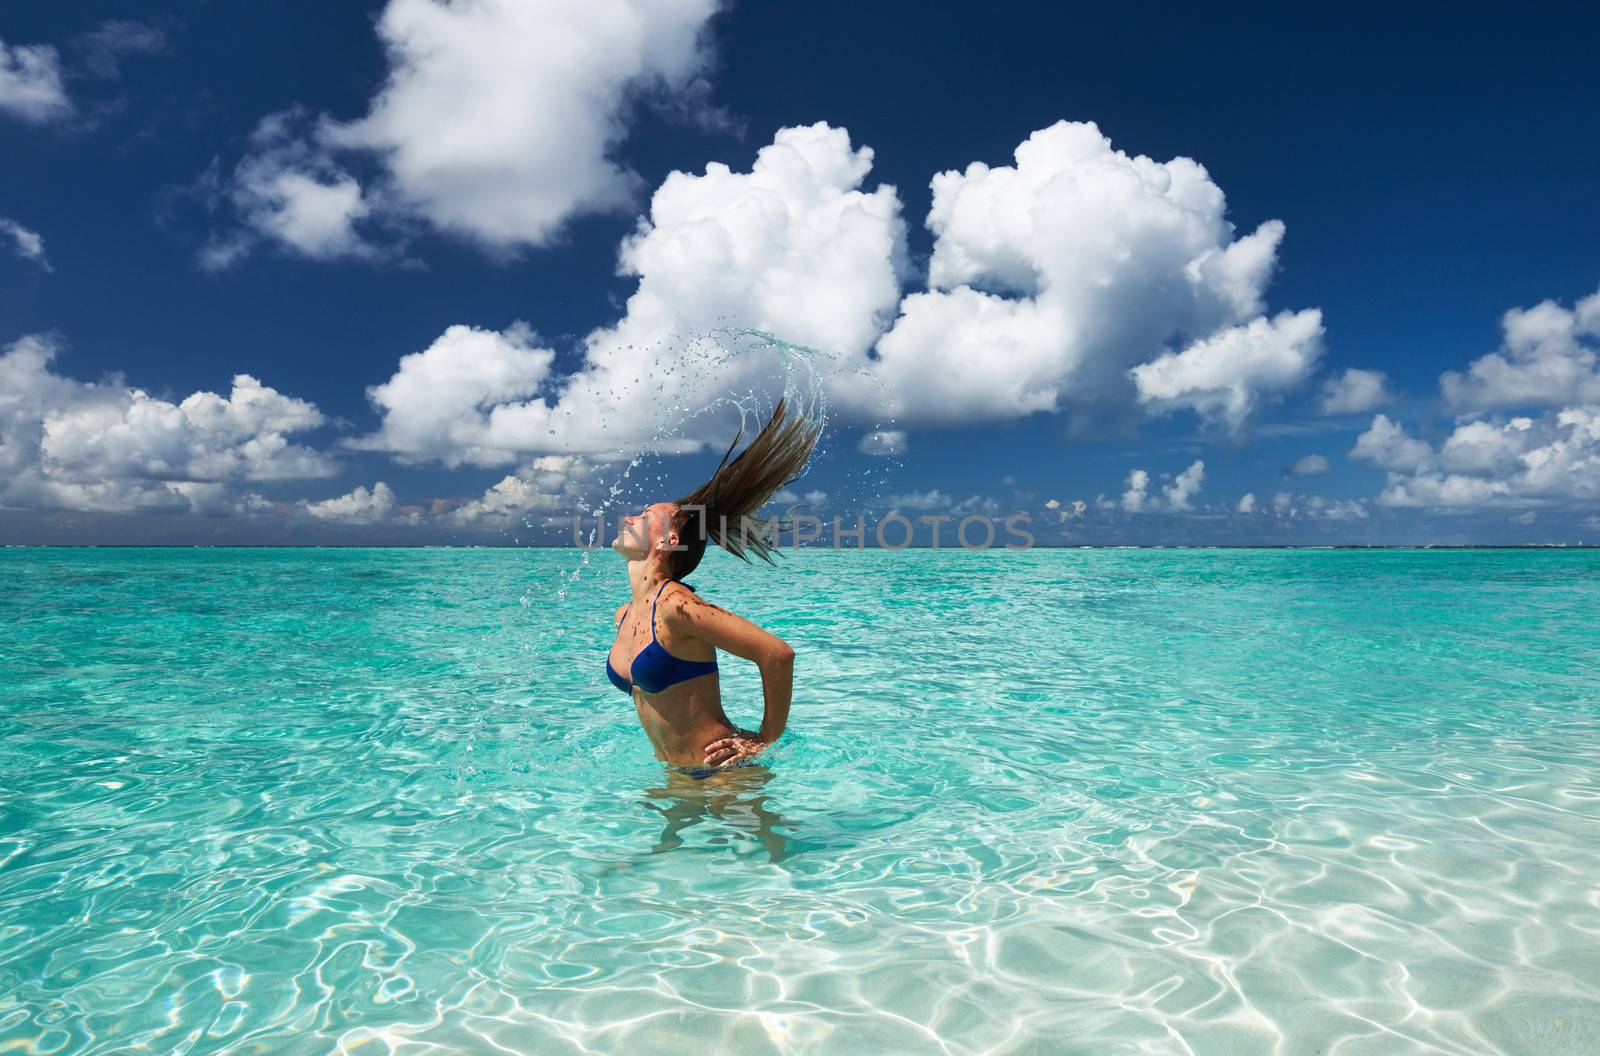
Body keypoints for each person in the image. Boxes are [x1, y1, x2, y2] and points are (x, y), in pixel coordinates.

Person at [605, 396, 821, 776]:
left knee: (763, 839)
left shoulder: (678, 607)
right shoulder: (626, 615)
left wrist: (765, 737)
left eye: (645, 516)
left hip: (724, 777)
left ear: (670, 541)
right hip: (674, 777)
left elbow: (777, 654)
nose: (629, 517)